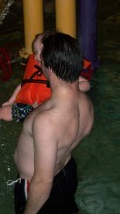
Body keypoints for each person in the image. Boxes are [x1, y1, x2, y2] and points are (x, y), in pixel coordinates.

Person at [13, 32, 94, 213]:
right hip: (67, 174)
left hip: (38, 188)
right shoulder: (86, 103)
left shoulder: (46, 120)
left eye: (41, 59)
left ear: (49, 68)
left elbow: (43, 182)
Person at [0, 32, 90, 123]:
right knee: (4, 112)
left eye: (38, 52)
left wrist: (67, 89)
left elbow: (85, 84)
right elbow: (23, 85)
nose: (36, 56)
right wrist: (11, 101)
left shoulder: (58, 70)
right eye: (35, 52)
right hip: (30, 107)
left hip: (51, 109)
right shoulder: (35, 67)